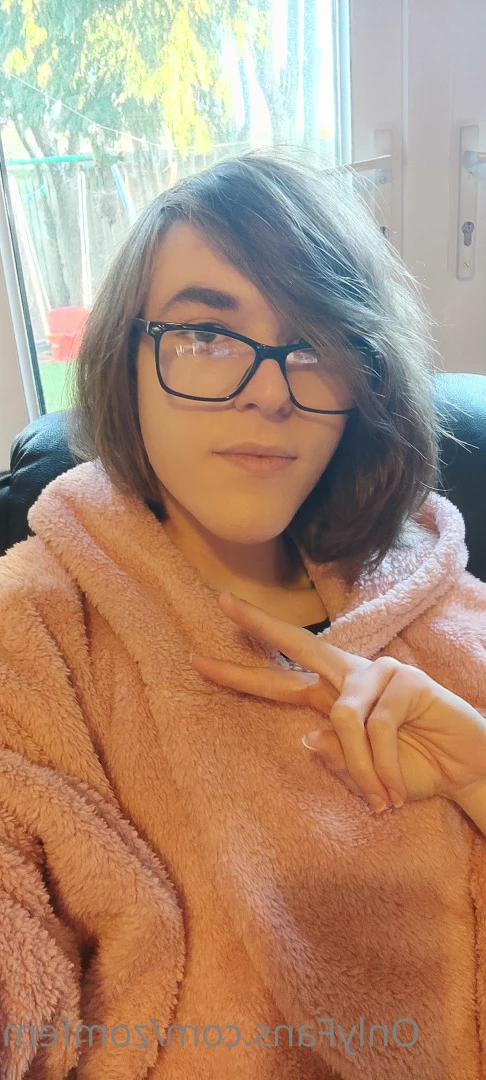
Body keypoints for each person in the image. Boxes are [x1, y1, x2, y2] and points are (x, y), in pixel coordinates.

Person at [0, 145, 485, 1080]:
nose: (269, 389)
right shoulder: (36, 635)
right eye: (206, 334)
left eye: (312, 343)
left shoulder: (449, 606)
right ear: (126, 363)